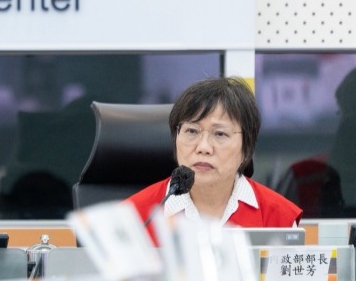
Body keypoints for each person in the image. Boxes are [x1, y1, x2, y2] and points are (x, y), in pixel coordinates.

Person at [126, 77, 301, 241]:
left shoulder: (278, 217)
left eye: (220, 134)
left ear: (246, 148)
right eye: (192, 131)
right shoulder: (134, 217)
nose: (203, 148)